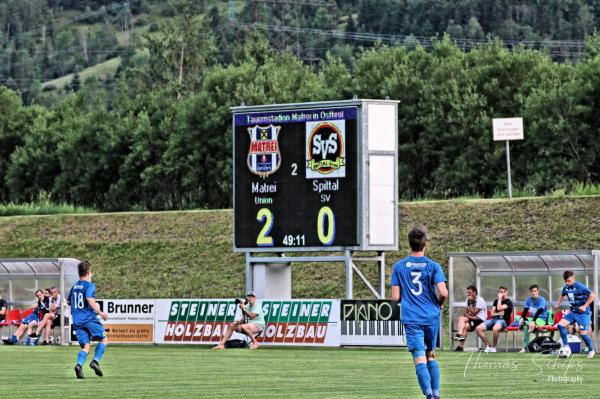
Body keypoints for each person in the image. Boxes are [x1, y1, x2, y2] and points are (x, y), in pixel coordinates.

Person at [391, 226, 448, 399]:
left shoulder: (399, 266)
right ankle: (436, 394)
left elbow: (395, 297)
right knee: (431, 354)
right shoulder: (433, 266)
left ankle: (429, 395)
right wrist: (439, 304)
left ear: (409, 244)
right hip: (431, 316)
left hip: (411, 317)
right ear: (425, 244)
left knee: (419, 356)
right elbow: (444, 293)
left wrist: (407, 299)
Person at [68, 260, 109, 378]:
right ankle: (95, 361)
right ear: (88, 272)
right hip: (89, 319)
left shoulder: (74, 286)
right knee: (104, 340)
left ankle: (79, 365)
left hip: (77, 321)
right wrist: (100, 312)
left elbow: (70, 301)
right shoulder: (90, 285)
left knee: (86, 346)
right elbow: (89, 299)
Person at [554, 270, 596, 359]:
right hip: (573, 312)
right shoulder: (566, 287)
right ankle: (566, 346)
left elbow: (592, 295)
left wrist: (585, 306)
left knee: (583, 334)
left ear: (573, 279)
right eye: (566, 281)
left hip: (584, 314)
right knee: (560, 325)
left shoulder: (580, 286)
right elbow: (562, 295)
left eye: (569, 281)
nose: (567, 283)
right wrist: (557, 304)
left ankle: (591, 350)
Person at [475, 286, 513, 352]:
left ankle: (494, 347)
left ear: (506, 293)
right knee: (478, 328)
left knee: (495, 328)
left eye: (504, 292)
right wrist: (499, 314)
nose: (502, 294)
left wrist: (499, 299)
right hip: (494, 319)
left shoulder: (509, 302)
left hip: (503, 321)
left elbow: (499, 308)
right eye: (501, 292)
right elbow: (492, 314)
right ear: (498, 292)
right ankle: (488, 345)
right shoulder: (496, 301)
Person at [453, 285, 486, 351]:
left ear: (474, 292)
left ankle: (460, 344)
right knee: (461, 318)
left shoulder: (480, 300)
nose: (468, 294)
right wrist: (469, 316)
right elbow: (465, 312)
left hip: (479, 320)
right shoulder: (468, 300)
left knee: (466, 326)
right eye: (467, 293)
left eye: (469, 292)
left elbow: (474, 312)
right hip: (473, 318)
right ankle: (459, 336)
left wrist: (470, 302)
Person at [518, 284, 548, 353]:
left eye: (534, 291)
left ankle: (526, 325)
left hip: (541, 319)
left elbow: (539, 311)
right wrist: (522, 318)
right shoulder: (529, 299)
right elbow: (525, 310)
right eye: (532, 291)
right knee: (519, 319)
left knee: (527, 326)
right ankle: (525, 348)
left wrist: (533, 321)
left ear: (538, 291)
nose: (533, 293)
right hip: (531, 319)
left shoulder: (542, 300)